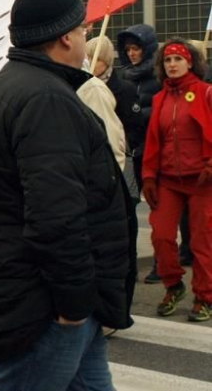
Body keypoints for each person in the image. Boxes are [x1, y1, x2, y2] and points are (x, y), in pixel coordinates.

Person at [0, 0, 130, 390]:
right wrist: (75, 308)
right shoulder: (45, 99)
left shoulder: (15, 85)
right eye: (82, 31)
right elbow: (55, 215)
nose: (84, 38)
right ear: (65, 37)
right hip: (47, 305)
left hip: (47, 296)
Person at [142, 38, 212, 322]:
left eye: (178, 59)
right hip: (168, 180)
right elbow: (152, 140)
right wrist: (148, 175)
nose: (172, 64)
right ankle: (173, 285)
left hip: (202, 181)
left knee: (202, 241)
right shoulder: (159, 98)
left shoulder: (206, 93)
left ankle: (205, 296)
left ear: (190, 62)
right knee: (160, 235)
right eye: (168, 60)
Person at [87, 34, 144, 318]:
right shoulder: (85, 87)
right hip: (102, 176)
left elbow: (128, 129)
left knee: (122, 237)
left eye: (96, 57)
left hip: (121, 170)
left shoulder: (118, 88)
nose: (91, 63)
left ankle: (119, 306)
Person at [116, 24, 175, 282]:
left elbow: (167, 112)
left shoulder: (160, 77)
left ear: (147, 48)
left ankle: (163, 264)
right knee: (129, 205)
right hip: (133, 152)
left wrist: (141, 114)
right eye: (128, 49)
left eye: (136, 48)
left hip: (156, 154)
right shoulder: (124, 77)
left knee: (160, 212)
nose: (132, 53)